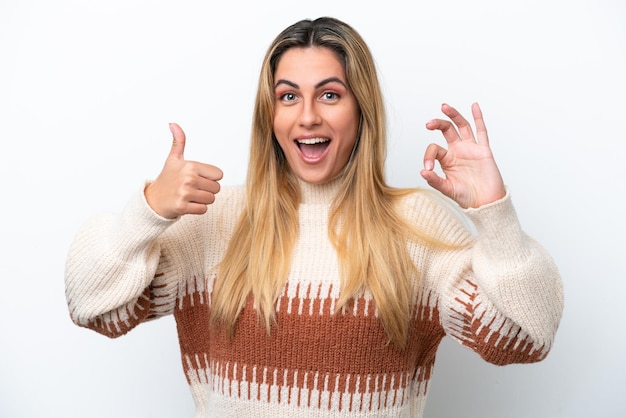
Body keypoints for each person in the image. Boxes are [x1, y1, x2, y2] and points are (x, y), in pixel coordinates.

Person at [64, 16, 564, 418]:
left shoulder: (415, 226)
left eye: (329, 94)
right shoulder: (213, 224)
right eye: (288, 96)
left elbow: (525, 339)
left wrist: (494, 215)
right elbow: (90, 307)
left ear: (360, 109)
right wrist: (146, 211)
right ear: (271, 115)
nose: (307, 116)